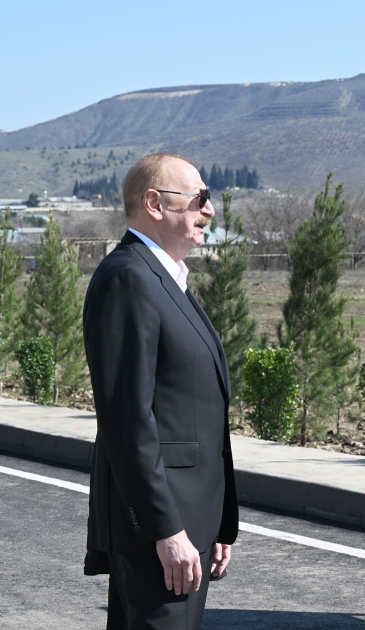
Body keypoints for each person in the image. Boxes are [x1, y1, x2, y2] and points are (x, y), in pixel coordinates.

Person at [83, 153, 239, 629]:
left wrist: (216, 520)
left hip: (189, 519)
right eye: (199, 198)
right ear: (154, 203)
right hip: (162, 529)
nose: (209, 209)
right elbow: (127, 420)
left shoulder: (164, 277)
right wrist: (165, 529)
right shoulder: (128, 278)